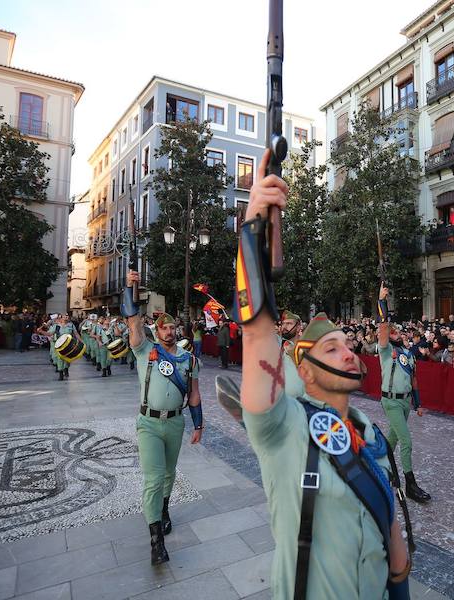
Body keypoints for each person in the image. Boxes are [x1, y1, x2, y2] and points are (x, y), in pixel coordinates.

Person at [236, 150, 410, 598]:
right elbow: (258, 337)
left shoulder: (366, 429)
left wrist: (398, 566)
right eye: (332, 348)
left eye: (349, 346)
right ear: (304, 370)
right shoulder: (283, 428)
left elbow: (382, 504)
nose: (350, 353)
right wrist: (255, 225)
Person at [122, 270, 203, 565]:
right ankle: (156, 541)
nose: (169, 331)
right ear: (156, 332)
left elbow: (193, 394)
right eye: (164, 328)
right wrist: (130, 286)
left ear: (177, 330)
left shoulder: (189, 359)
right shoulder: (145, 350)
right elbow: (132, 319)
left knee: (169, 474)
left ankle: (164, 509)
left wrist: (199, 424)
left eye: (172, 327)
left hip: (175, 422)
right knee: (154, 478)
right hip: (149, 424)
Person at [377, 298, 431, 503]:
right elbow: (383, 329)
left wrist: (417, 403)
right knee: (406, 441)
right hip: (390, 401)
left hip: (405, 402)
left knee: (393, 438)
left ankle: (378, 468)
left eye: (397, 331)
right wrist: (382, 301)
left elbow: (414, 379)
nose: (396, 334)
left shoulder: (409, 353)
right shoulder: (384, 350)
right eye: (393, 332)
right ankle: (410, 484)